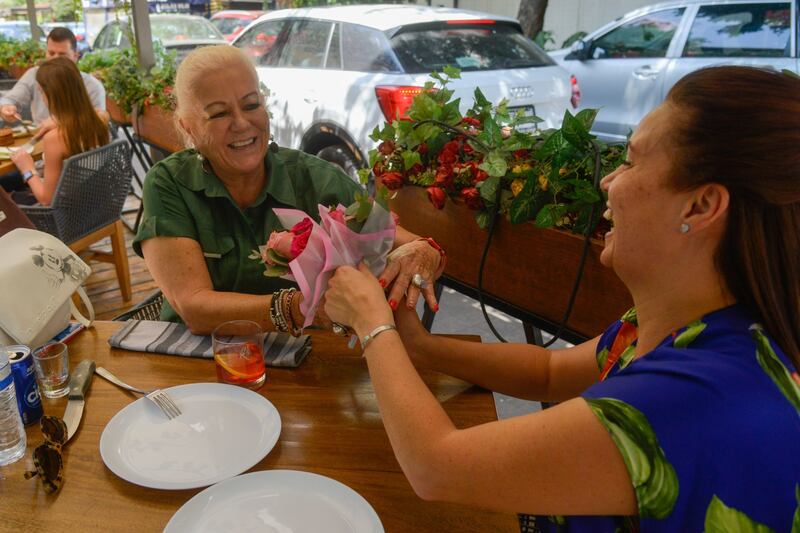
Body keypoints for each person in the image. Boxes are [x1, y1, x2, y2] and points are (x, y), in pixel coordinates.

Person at [324, 66, 800, 531]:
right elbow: (548, 371)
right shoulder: (696, 327)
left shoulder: (694, 398)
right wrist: (418, 346)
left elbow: (435, 466)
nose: (607, 181)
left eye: (631, 162)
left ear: (699, 206)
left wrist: (372, 324)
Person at [133, 45, 444, 335]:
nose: (241, 123)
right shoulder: (169, 183)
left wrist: (422, 251)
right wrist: (298, 308)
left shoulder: (313, 177)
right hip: (193, 365)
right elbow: (195, 307)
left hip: (300, 363)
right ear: (188, 127)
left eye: (251, 105)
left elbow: (403, 243)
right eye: (219, 113)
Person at [8, 57, 109, 206]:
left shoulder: (55, 138)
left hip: (65, 218)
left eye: (42, 92)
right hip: (97, 206)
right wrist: (60, 121)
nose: (42, 98)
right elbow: (95, 112)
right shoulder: (101, 119)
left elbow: (46, 200)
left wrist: (27, 169)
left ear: (51, 94)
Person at [0, 27, 107, 130]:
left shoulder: (92, 86)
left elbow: (99, 124)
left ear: (76, 56)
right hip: (40, 140)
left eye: (62, 55)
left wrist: (61, 122)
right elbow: (9, 99)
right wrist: (6, 107)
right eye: (51, 53)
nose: (55, 59)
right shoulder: (33, 75)